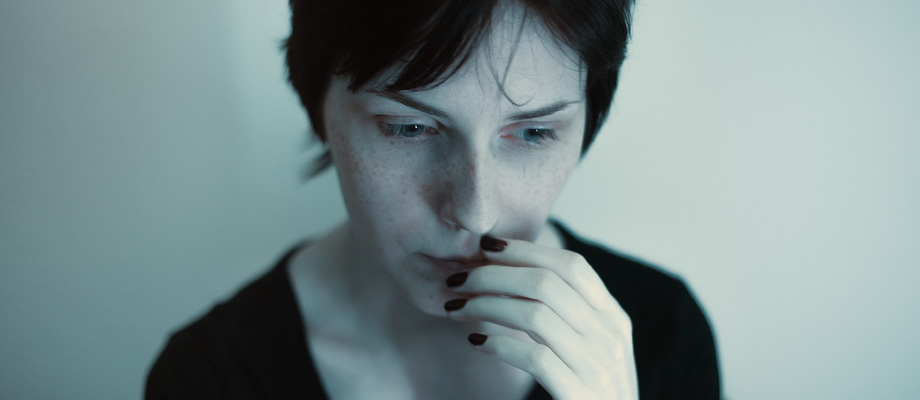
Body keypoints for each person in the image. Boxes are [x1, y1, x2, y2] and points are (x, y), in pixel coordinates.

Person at [146, 0, 720, 399]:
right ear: (318, 108)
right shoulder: (210, 378)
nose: (474, 211)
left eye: (533, 133)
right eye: (410, 128)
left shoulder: (661, 337)